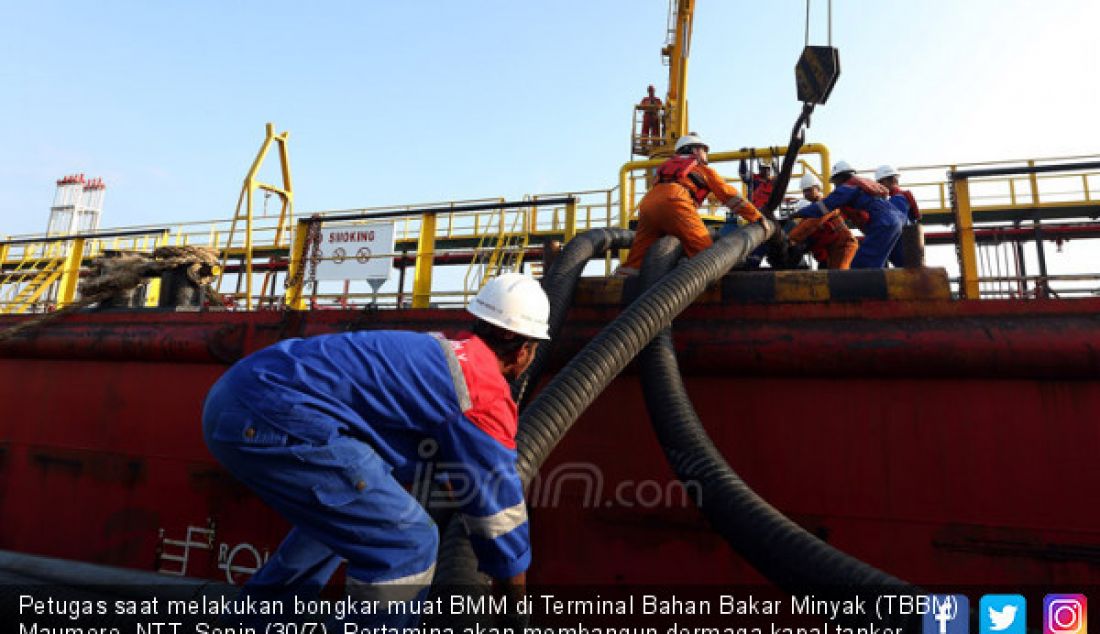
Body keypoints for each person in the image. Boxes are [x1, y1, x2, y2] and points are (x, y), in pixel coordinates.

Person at [202, 272, 549, 627]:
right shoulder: (483, 390)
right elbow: (502, 518)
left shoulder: (438, 351)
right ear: (524, 350)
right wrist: (514, 610)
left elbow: (450, 469)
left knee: (346, 525)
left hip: (238, 392)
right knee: (407, 543)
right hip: (273, 413)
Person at [618, 133, 764, 275]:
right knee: (706, 256)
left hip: (648, 203)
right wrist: (756, 217)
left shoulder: (667, 166)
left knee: (638, 256)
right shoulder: (702, 169)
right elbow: (729, 195)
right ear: (694, 150)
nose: (706, 154)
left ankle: (621, 285)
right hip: (675, 201)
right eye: (704, 150)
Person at [798, 160, 904, 269]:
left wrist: (799, 213)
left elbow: (825, 206)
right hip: (896, 221)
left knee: (861, 266)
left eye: (835, 182)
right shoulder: (863, 185)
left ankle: (869, 286)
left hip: (883, 224)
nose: (835, 186)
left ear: (840, 177)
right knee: (901, 263)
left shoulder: (846, 188)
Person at [788, 172, 858, 270]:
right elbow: (805, 225)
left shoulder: (826, 205)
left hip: (844, 245)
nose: (806, 194)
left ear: (818, 189)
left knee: (839, 278)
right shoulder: (813, 210)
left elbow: (812, 223)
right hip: (834, 249)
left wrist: (791, 239)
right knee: (831, 278)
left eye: (809, 190)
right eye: (804, 191)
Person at [875, 164, 921, 267]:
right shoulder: (899, 197)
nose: (879, 186)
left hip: (903, 248)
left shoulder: (897, 199)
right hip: (907, 249)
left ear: (887, 181)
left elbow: (893, 223)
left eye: (880, 183)